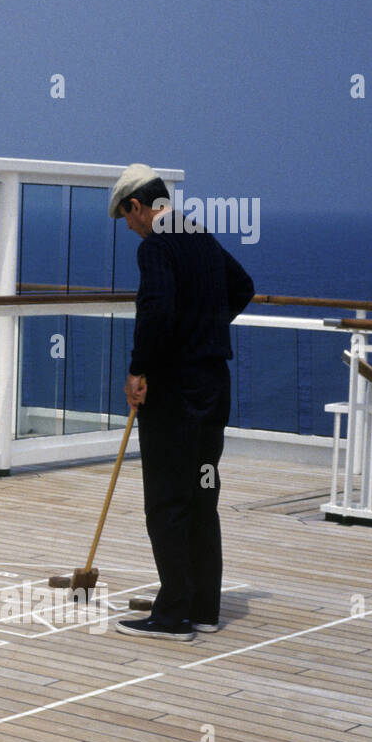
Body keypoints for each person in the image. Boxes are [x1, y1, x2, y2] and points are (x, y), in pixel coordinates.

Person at [109, 164, 255, 641]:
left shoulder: (157, 245)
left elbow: (156, 309)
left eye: (126, 217)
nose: (128, 227)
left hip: (173, 392)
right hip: (214, 386)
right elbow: (243, 287)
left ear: (138, 205)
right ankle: (204, 609)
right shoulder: (200, 236)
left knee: (168, 502)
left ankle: (172, 616)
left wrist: (138, 370)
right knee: (201, 496)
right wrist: (205, 328)